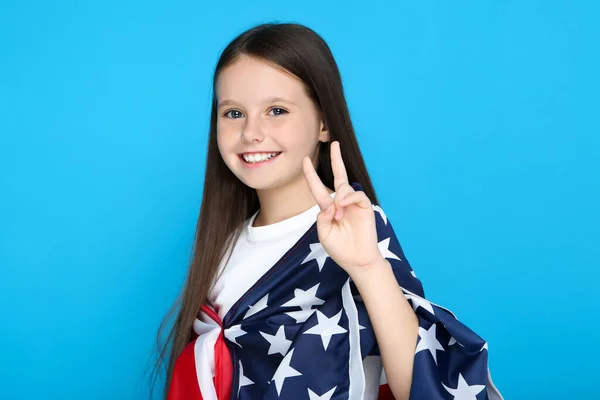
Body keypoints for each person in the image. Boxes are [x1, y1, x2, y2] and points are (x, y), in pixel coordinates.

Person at [152, 22, 503, 400]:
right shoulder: (224, 244)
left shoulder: (358, 229)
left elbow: (417, 385)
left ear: (323, 122)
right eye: (233, 113)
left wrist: (368, 267)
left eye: (276, 110)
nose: (251, 133)